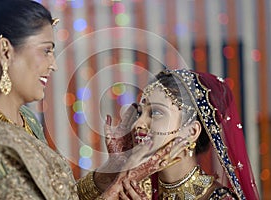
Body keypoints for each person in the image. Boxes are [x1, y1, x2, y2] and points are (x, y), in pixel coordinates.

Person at [0, 1, 176, 199]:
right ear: (5, 51)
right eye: (46, 51)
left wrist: (112, 170)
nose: (54, 65)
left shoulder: (25, 119)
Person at [105, 68, 260, 199]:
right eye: (140, 113)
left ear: (191, 132)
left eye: (156, 113)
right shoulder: (135, 186)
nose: (138, 124)